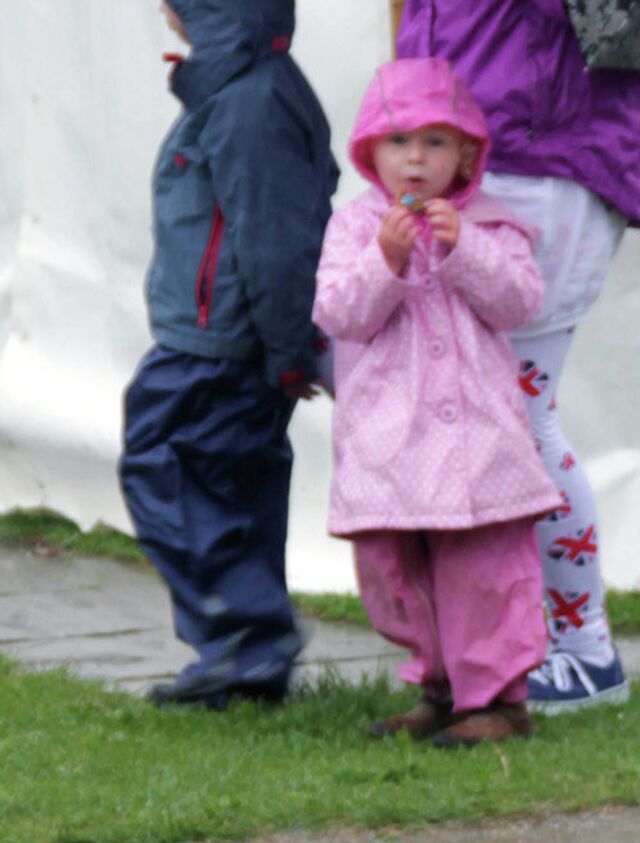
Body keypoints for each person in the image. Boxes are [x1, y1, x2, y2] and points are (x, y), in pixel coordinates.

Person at [396, 0, 640, 710]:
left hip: (539, 158)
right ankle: (525, 641)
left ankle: (584, 650)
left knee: (519, 420)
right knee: (493, 420)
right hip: (498, 153)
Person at [313, 58, 558, 748]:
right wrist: (383, 264)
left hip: (478, 443)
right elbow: (337, 312)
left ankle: (499, 700)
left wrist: (467, 249)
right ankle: (438, 687)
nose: (414, 160)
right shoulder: (355, 228)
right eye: (397, 143)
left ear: (468, 153)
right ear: (369, 152)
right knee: (400, 570)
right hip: (390, 442)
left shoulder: (490, 224)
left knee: (482, 568)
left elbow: (521, 301)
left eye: (434, 143)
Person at [119, 0, 338, 709]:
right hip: (228, 339)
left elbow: (275, 237)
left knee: (165, 469)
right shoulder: (242, 82)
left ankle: (248, 636)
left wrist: (287, 349)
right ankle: (245, 666)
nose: (164, 9)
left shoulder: (250, 102)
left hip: (218, 346)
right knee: (233, 482)